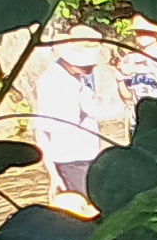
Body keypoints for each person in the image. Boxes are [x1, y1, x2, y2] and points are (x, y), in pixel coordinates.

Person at [29, 35, 115, 214]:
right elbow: (42, 131)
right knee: (84, 214)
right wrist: (53, 174)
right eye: (85, 65)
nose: (90, 69)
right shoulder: (51, 82)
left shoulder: (81, 76)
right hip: (70, 161)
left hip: (90, 155)